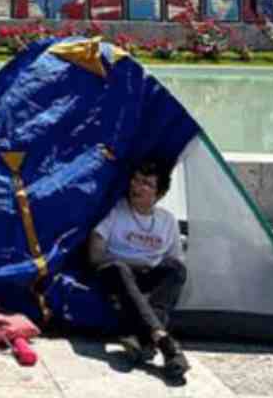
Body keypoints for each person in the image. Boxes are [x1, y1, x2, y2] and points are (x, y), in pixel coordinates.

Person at [89, 161, 190, 381]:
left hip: (148, 277)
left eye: (146, 183)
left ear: (159, 194)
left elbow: (175, 261)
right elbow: (95, 256)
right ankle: (165, 342)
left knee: (176, 269)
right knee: (118, 268)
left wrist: (152, 268)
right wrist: (133, 264)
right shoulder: (116, 211)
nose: (137, 186)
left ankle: (141, 339)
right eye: (135, 180)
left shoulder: (167, 220)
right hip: (116, 275)